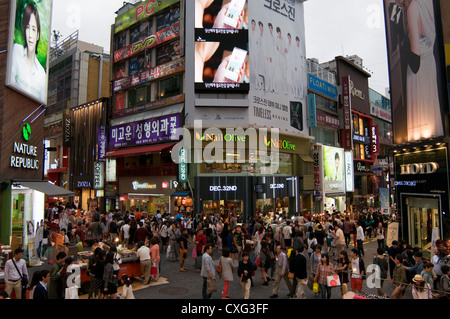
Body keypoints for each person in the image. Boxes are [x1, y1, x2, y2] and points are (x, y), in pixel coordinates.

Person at [9, 2, 47, 101]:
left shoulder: (42, 75)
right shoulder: (15, 51)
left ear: (38, 35)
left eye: (33, 29)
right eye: (27, 28)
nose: (30, 34)